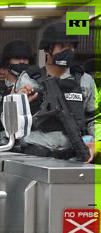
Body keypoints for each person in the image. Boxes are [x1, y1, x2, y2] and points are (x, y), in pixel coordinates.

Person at [15, 22, 96, 162]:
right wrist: (19, 102)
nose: (68, 51)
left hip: (74, 156)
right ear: (48, 50)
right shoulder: (28, 78)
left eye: (71, 47)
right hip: (35, 154)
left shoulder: (85, 80)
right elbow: (14, 120)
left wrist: (96, 144)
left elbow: (94, 118)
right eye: (62, 47)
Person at [0, 40, 33, 147]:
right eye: (17, 59)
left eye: (25, 59)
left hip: (34, 146)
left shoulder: (36, 86)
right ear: (7, 62)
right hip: (4, 146)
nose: (22, 62)